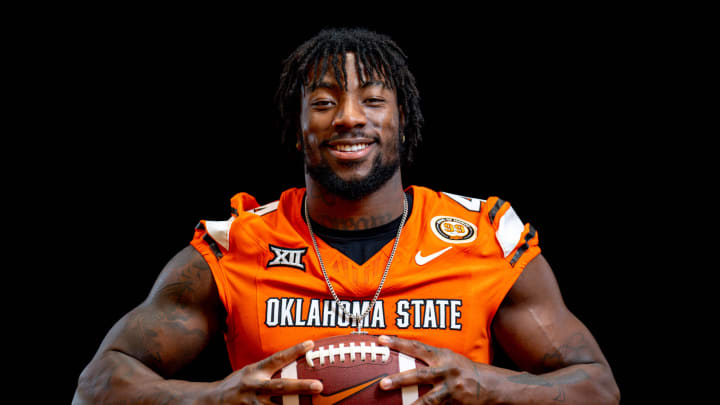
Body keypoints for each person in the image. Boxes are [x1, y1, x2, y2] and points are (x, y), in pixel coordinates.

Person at [74, 28, 619, 404]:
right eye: (325, 102)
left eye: (374, 100)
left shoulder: (482, 238)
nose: (350, 118)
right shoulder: (238, 244)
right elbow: (98, 385)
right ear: (297, 128)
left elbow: (597, 387)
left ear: (403, 123)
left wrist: (489, 385)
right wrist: (214, 397)